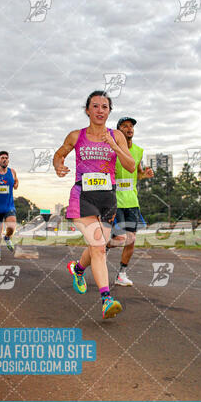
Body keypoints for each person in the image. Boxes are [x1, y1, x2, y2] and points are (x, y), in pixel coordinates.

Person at [53, 91, 135, 319]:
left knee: (101, 245)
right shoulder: (76, 135)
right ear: (87, 110)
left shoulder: (116, 136)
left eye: (105, 107)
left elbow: (129, 166)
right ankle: (106, 300)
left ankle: (78, 269)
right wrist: (58, 166)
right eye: (95, 106)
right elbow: (59, 155)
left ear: (109, 111)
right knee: (98, 247)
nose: (100, 110)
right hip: (83, 196)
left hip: (107, 198)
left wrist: (115, 146)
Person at [107, 117, 154, 285]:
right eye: (125, 126)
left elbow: (138, 173)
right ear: (118, 130)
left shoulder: (139, 151)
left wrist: (145, 175)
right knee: (119, 238)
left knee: (131, 239)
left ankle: (121, 274)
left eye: (131, 126)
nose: (129, 129)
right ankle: (102, 247)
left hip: (132, 201)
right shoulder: (112, 149)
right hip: (115, 200)